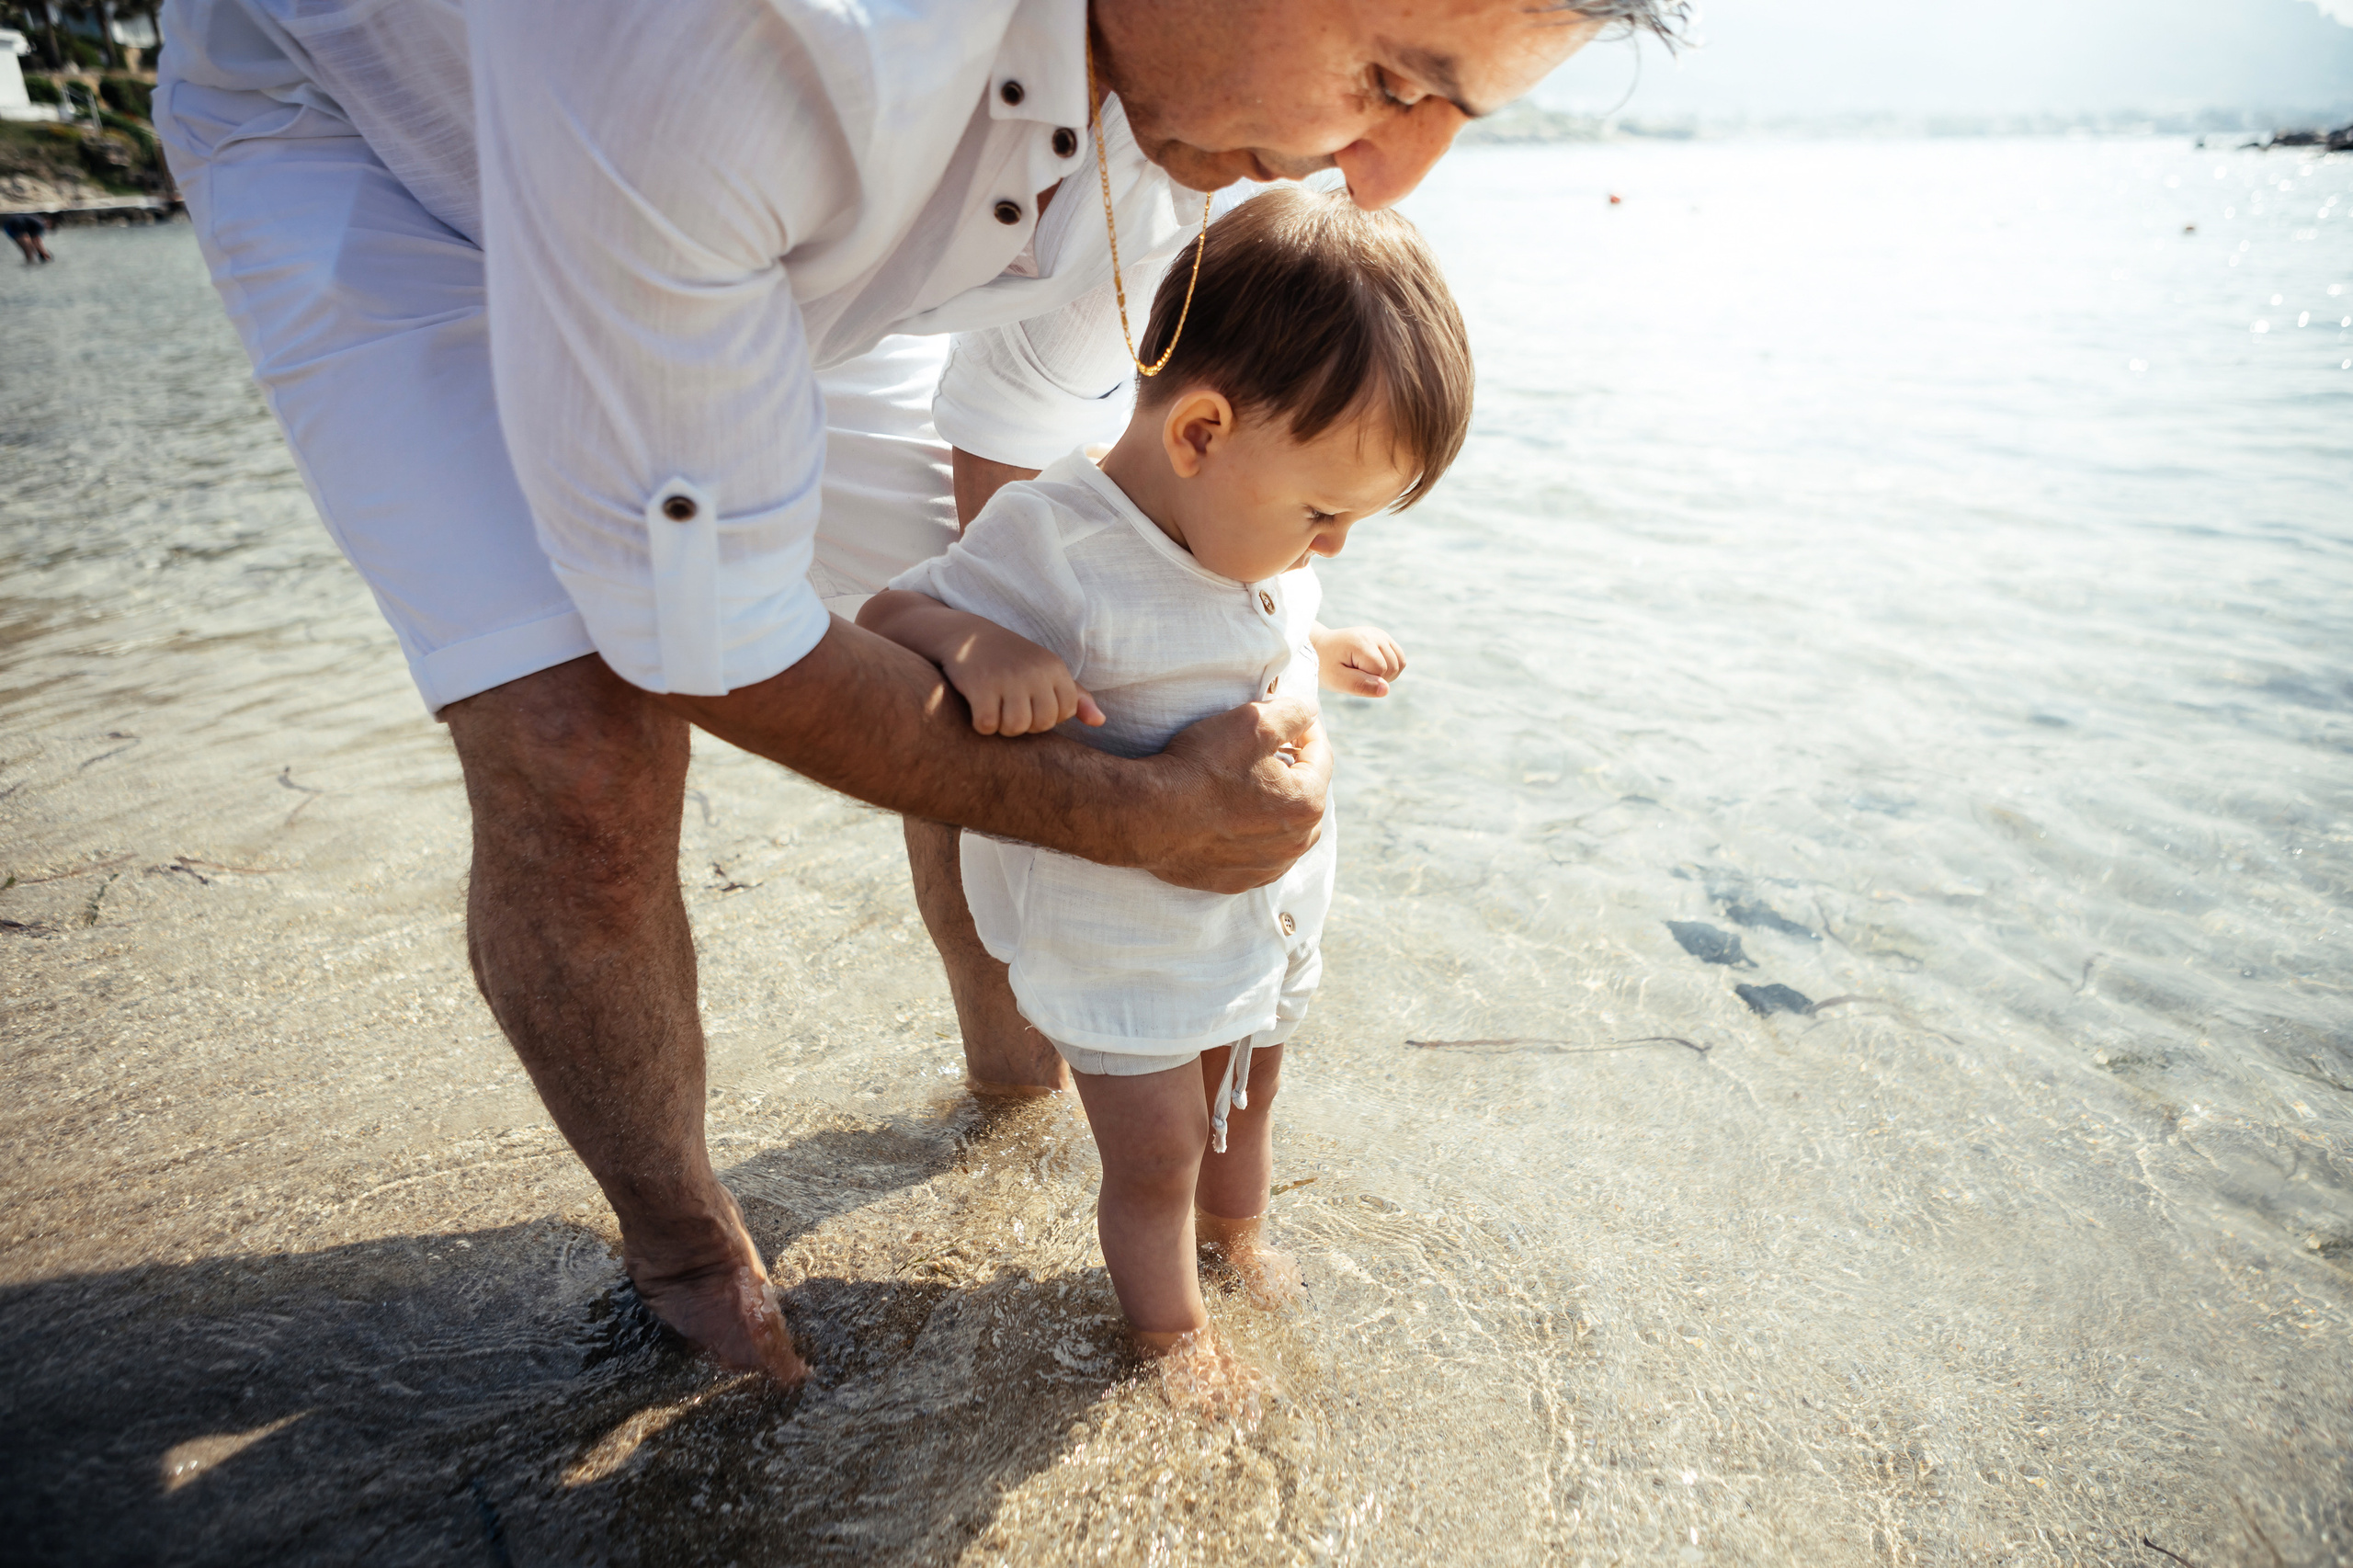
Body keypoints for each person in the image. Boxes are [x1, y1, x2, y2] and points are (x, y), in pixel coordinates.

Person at [153, 0, 1685, 1385]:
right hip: (402, 160)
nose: (1384, 176)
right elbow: (711, 641)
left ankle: (1015, 1081)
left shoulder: (1199, 124)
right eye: (1383, 76)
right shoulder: (752, 40)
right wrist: (1136, 809)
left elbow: (1028, 472)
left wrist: (1084, 670)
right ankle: (687, 1260)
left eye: (1450, 111)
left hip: (748, 212)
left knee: (1016, 633)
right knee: (582, 752)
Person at [861, 186, 1469, 1358]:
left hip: (1261, 916)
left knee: (1246, 1099)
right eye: (1326, 512)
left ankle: (1235, 1234)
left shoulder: (1242, 519)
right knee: (1156, 1151)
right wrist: (979, 646)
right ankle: (1169, 1331)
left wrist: (1323, 649)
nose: (1332, 542)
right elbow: (892, 614)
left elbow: (1266, 620)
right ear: (1197, 433)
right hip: (1126, 938)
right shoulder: (1055, 541)